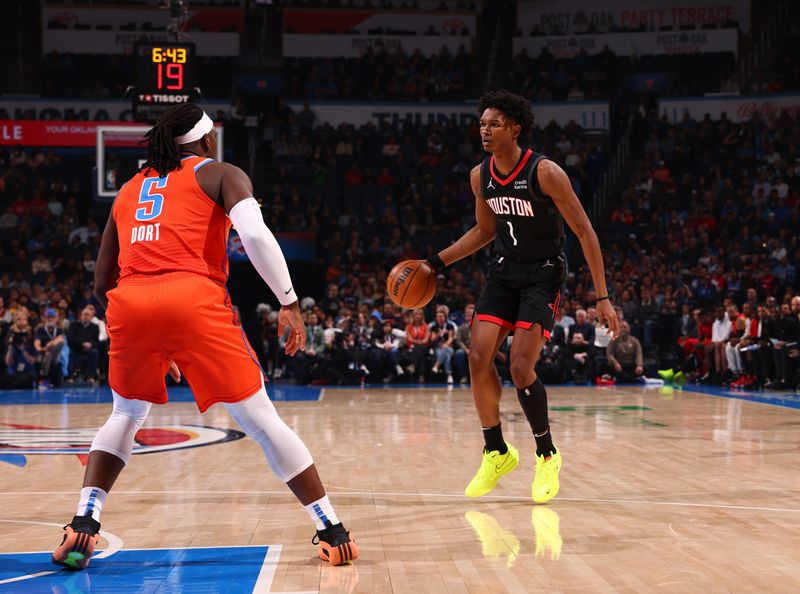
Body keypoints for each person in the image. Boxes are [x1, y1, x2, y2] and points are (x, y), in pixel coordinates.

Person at [52, 104, 357, 571]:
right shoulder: (221, 174)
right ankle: (331, 529)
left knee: (125, 413)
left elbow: (100, 281)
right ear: (207, 139)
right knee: (260, 420)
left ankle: (83, 523)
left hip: (130, 302)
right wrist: (290, 301)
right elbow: (254, 236)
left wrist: (154, 335)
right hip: (193, 296)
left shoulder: (129, 189)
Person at [416, 90, 618, 504]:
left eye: (493, 124)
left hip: (543, 276)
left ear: (515, 129)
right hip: (504, 273)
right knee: (477, 357)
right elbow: (484, 231)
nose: (485, 131)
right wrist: (434, 263)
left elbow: (585, 232)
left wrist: (602, 296)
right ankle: (496, 451)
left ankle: (547, 454)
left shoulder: (546, 173)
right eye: (482, 125)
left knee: (521, 367)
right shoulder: (480, 175)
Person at [34, 308, 65, 388]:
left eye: (52, 317)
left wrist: (50, 344)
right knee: (48, 356)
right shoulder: (40, 330)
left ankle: (46, 375)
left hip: (56, 353)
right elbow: (37, 344)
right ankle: (45, 376)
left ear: (56, 318)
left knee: (60, 344)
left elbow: (61, 339)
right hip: (43, 353)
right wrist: (41, 349)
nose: (50, 319)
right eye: (48, 317)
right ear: (44, 318)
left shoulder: (59, 330)